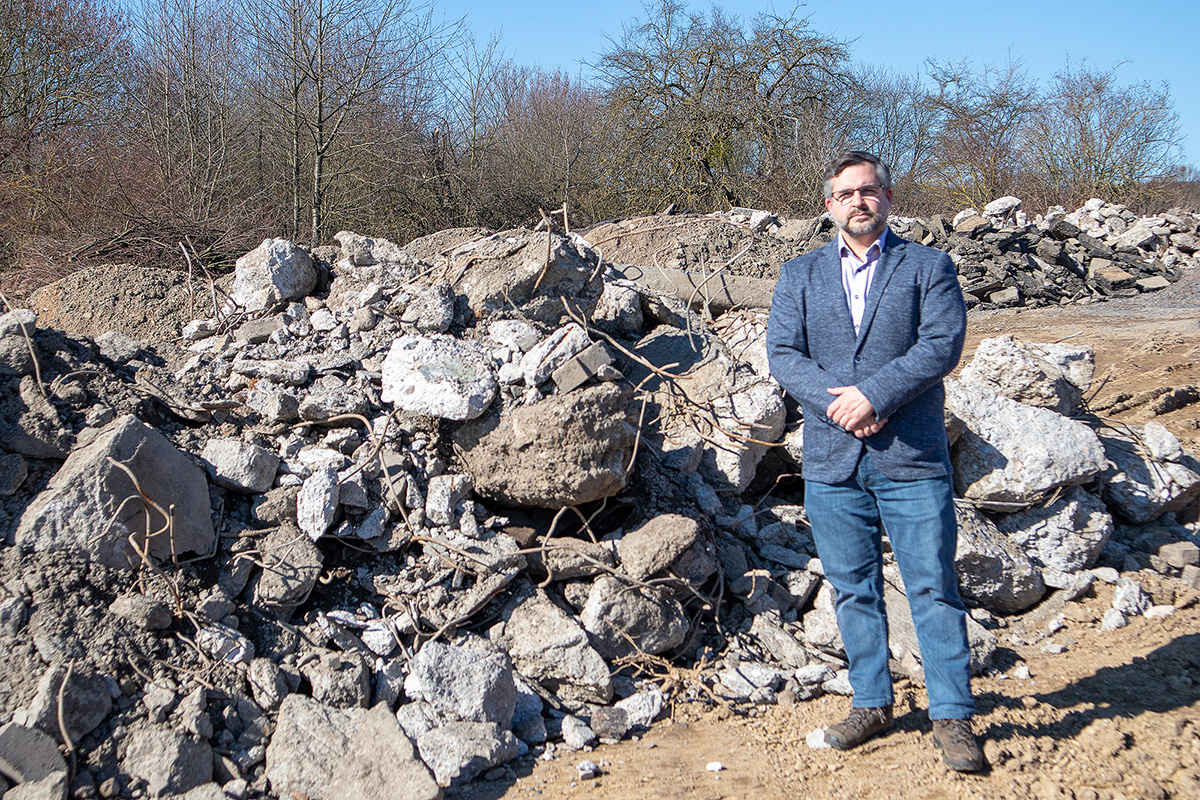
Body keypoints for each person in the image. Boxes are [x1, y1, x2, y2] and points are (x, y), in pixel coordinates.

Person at [765, 151, 985, 772]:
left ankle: (952, 715)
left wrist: (874, 396)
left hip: (910, 456)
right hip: (834, 460)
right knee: (852, 588)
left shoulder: (928, 267)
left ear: (887, 198)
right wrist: (841, 406)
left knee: (933, 587)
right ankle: (871, 702)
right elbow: (782, 353)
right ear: (829, 205)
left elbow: (941, 344)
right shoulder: (799, 274)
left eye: (869, 191)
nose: (858, 202)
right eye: (846, 194)